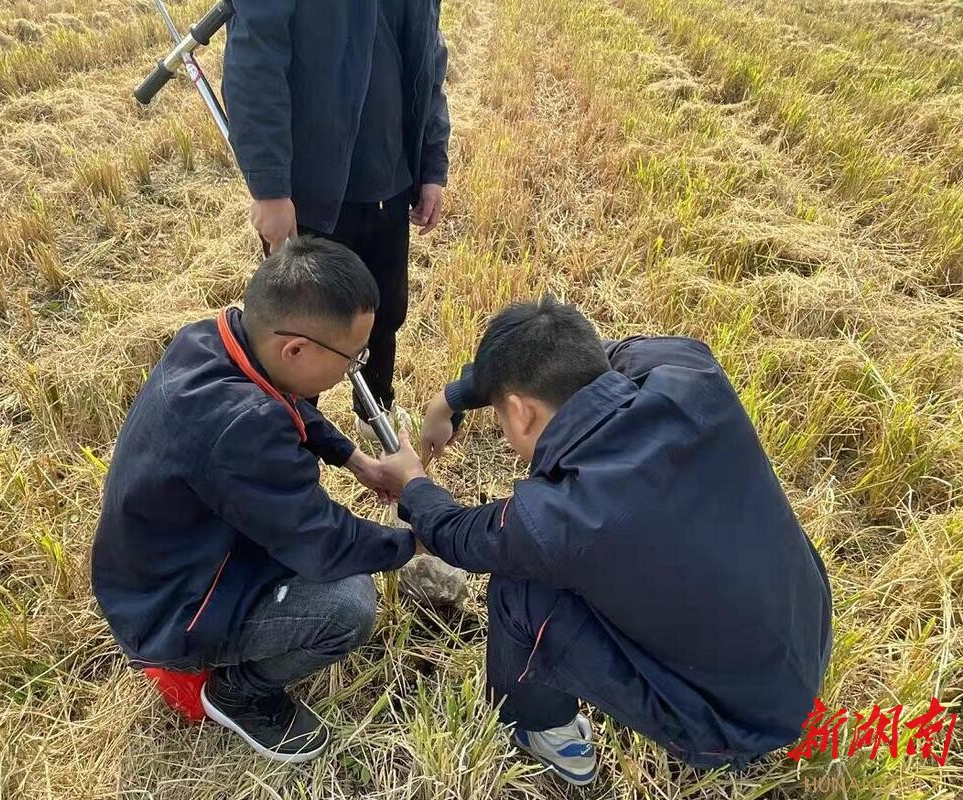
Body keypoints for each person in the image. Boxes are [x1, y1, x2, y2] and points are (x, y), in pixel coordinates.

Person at [379, 297, 833, 785]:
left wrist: (413, 486)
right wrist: (452, 399)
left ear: (520, 412)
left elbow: (459, 536)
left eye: (499, 413)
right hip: (807, 634)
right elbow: (587, 358)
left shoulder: (560, 518)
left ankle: (542, 732)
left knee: (520, 589)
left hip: (727, 723)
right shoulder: (687, 367)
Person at [91, 237, 417, 764]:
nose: (354, 368)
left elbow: (285, 401)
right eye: (352, 357)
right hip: (174, 609)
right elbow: (324, 544)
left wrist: (354, 459)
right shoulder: (243, 428)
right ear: (296, 349)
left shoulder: (212, 340)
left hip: (166, 564)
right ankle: (238, 692)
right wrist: (418, 538)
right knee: (347, 605)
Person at [222, 0, 451, 435]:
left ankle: (375, 408)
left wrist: (431, 166)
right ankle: (289, 429)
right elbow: (256, 59)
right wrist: (270, 190)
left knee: (383, 312)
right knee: (303, 327)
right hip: (313, 193)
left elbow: (428, 64)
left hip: (390, 179)